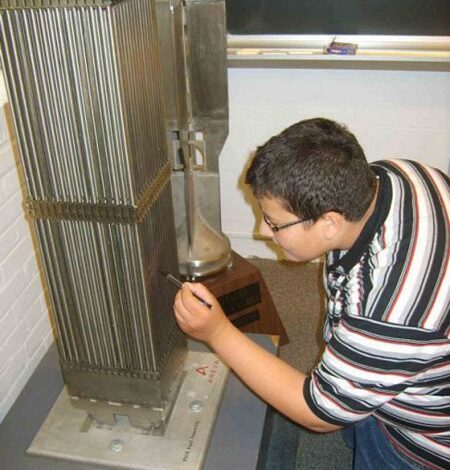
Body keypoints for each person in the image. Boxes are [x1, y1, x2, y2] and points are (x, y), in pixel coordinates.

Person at [173, 118, 449, 469]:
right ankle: (362, 391)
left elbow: (318, 413)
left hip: (418, 440)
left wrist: (217, 332)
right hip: (402, 362)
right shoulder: (397, 175)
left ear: (330, 223)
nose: (263, 232)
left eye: (274, 223)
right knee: (358, 398)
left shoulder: (388, 316)